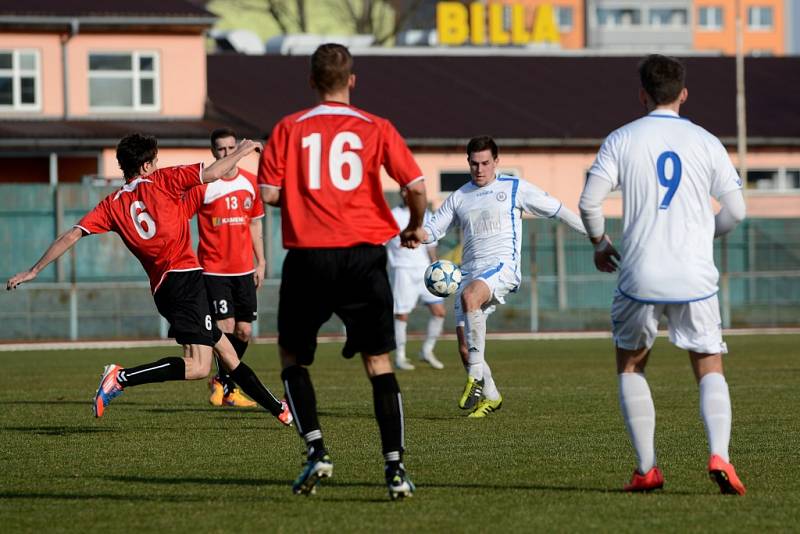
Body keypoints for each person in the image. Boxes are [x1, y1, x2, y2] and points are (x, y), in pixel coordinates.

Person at [6, 133, 292, 427]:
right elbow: (215, 173)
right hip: (184, 281)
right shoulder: (164, 180)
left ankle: (279, 408)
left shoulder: (111, 204)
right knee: (198, 367)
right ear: (144, 167)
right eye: (154, 161)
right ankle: (121, 376)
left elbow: (71, 234)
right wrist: (243, 150)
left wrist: (34, 270)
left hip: (168, 286)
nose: (157, 165)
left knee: (228, 353)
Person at [258, 43, 427, 500]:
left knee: (292, 356)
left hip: (310, 256)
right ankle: (395, 470)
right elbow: (415, 185)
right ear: (352, 80)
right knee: (378, 362)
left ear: (311, 82)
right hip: (363, 256)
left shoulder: (289, 127)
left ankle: (316, 450)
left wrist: (304, 190)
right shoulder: (377, 127)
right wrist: (413, 227)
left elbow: (269, 194)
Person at [578, 54, 747, 495]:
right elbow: (737, 211)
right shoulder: (707, 141)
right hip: (695, 276)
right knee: (709, 365)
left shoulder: (622, 139)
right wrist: (703, 235)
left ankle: (648, 467)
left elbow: (589, 204)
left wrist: (600, 244)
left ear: (642, 94)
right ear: (683, 94)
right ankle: (720, 455)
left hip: (639, 274)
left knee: (631, 366)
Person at [423, 136, 586, 418]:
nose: (480, 169)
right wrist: (412, 234)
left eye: (486, 163)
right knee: (465, 348)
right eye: (474, 164)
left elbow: (557, 209)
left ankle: (474, 379)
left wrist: (593, 233)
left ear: (496, 162)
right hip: (469, 273)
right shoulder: (460, 197)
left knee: (470, 297)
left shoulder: (513, 187)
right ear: (468, 163)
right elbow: (431, 230)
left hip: (502, 267)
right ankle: (492, 396)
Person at [183, 127, 266, 408]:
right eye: (221, 150)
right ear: (213, 152)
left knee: (244, 332)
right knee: (226, 326)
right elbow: (181, 219)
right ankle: (227, 385)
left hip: (243, 269)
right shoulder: (205, 186)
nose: (227, 154)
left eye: (231, 149)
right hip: (213, 269)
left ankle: (224, 383)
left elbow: (255, 223)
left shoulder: (251, 183)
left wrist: (262, 261)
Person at [386, 188, 446, 371]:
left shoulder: (426, 215)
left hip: (424, 271)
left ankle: (427, 351)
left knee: (439, 312)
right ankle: (400, 356)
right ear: (401, 193)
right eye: (404, 191)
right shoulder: (392, 216)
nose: (407, 194)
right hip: (402, 269)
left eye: (410, 191)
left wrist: (436, 268)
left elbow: (431, 245)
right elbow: (383, 243)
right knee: (402, 314)